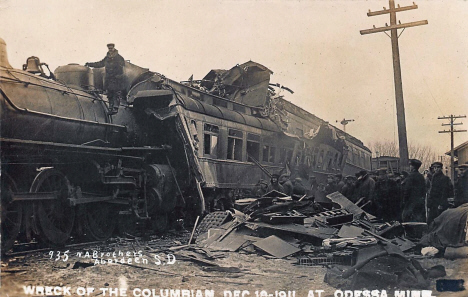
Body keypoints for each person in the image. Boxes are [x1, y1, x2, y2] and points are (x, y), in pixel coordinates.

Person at [85, 43, 125, 115]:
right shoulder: (106, 58)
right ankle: (110, 108)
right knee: (109, 94)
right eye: (109, 49)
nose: (110, 50)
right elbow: (100, 64)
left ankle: (115, 107)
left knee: (116, 93)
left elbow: (122, 68)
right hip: (109, 79)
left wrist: (118, 75)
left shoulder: (119, 58)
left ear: (114, 48)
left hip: (116, 79)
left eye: (111, 49)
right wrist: (90, 64)